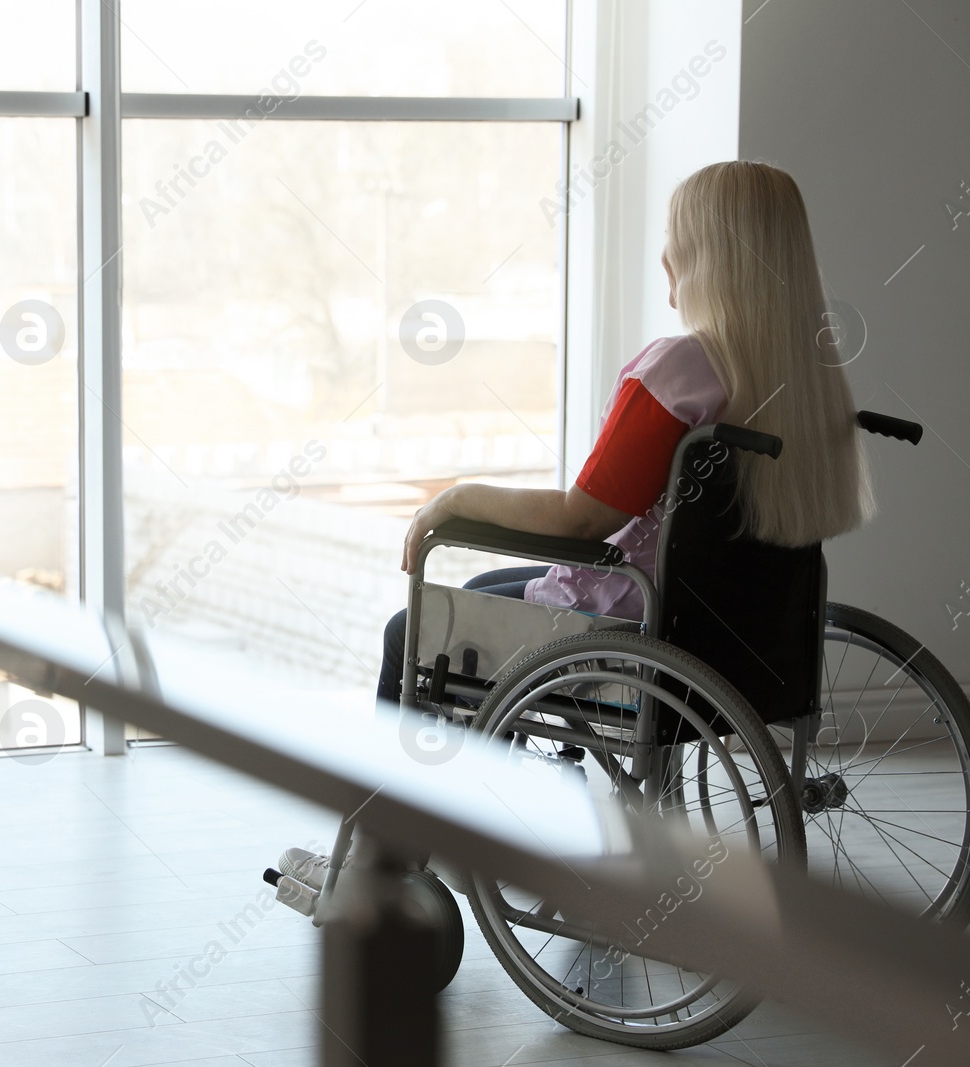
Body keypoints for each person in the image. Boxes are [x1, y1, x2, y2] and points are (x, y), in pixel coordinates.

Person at [282, 159, 872, 890]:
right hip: (747, 638)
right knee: (491, 584)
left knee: (417, 631)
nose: (664, 257)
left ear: (707, 254)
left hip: (640, 631)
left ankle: (380, 863)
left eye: (676, 240)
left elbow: (581, 517)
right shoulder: (804, 380)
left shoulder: (682, 370)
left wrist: (456, 498)